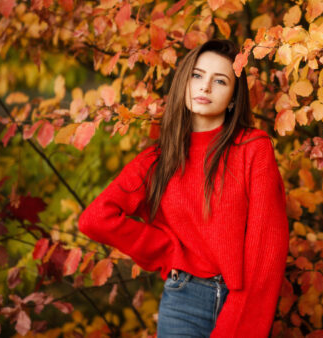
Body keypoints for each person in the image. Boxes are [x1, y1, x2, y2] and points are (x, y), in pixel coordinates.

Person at [78, 39, 290, 337]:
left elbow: (266, 253)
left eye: (220, 80)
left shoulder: (253, 149)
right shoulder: (157, 160)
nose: (205, 87)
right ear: (184, 82)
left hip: (241, 300)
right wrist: (167, 251)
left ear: (232, 97)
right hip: (184, 301)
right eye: (197, 75)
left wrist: (239, 323)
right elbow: (95, 218)